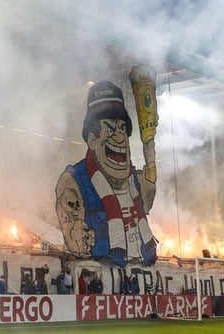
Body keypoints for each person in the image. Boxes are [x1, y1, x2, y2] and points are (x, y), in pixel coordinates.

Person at [55, 80, 158, 266]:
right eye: (110, 129)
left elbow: (147, 204)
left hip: (142, 267)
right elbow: (75, 238)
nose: (119, 137)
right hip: (103, 272)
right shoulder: (75, 181)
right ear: (93, 140)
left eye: (122, 129)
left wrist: (151, 166)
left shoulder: (135, 179)